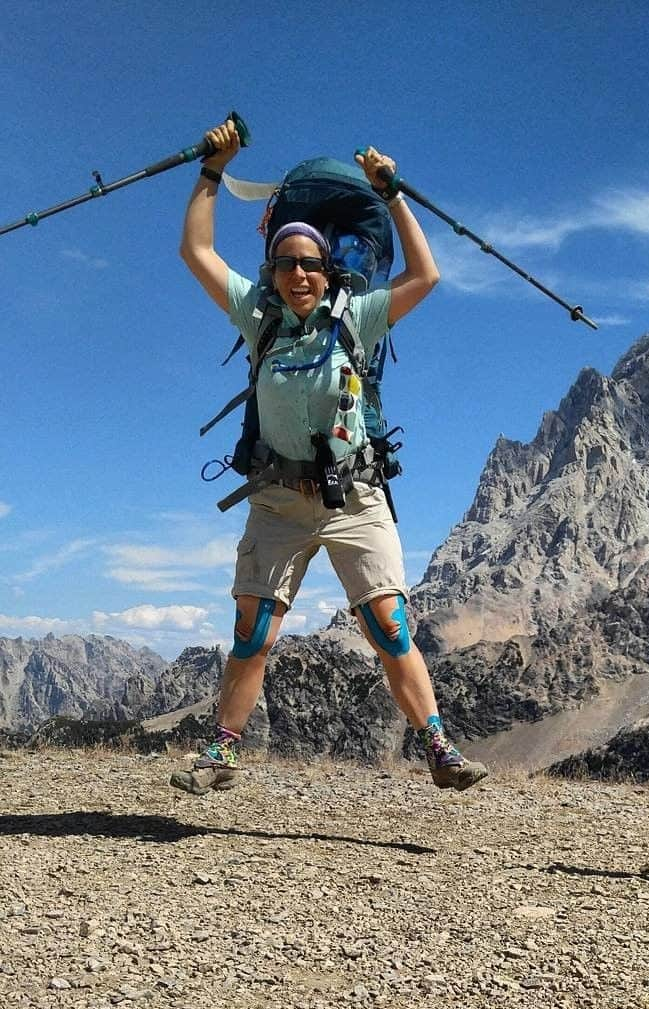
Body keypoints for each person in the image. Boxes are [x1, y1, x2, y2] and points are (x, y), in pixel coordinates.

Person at [171, 119, 487, 796]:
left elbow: (426, 274)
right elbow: (196, 249)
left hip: (354, 495)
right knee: (253, 632)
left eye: (310, 264)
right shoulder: (259, 316)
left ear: (326, 269)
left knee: (388, 625)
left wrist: (393, 194)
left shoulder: (356, 315)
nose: (298, 275)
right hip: (279, 500)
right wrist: (210, 173)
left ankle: (439, 747)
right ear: (273, 272)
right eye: (286, 264)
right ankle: (221, 751)